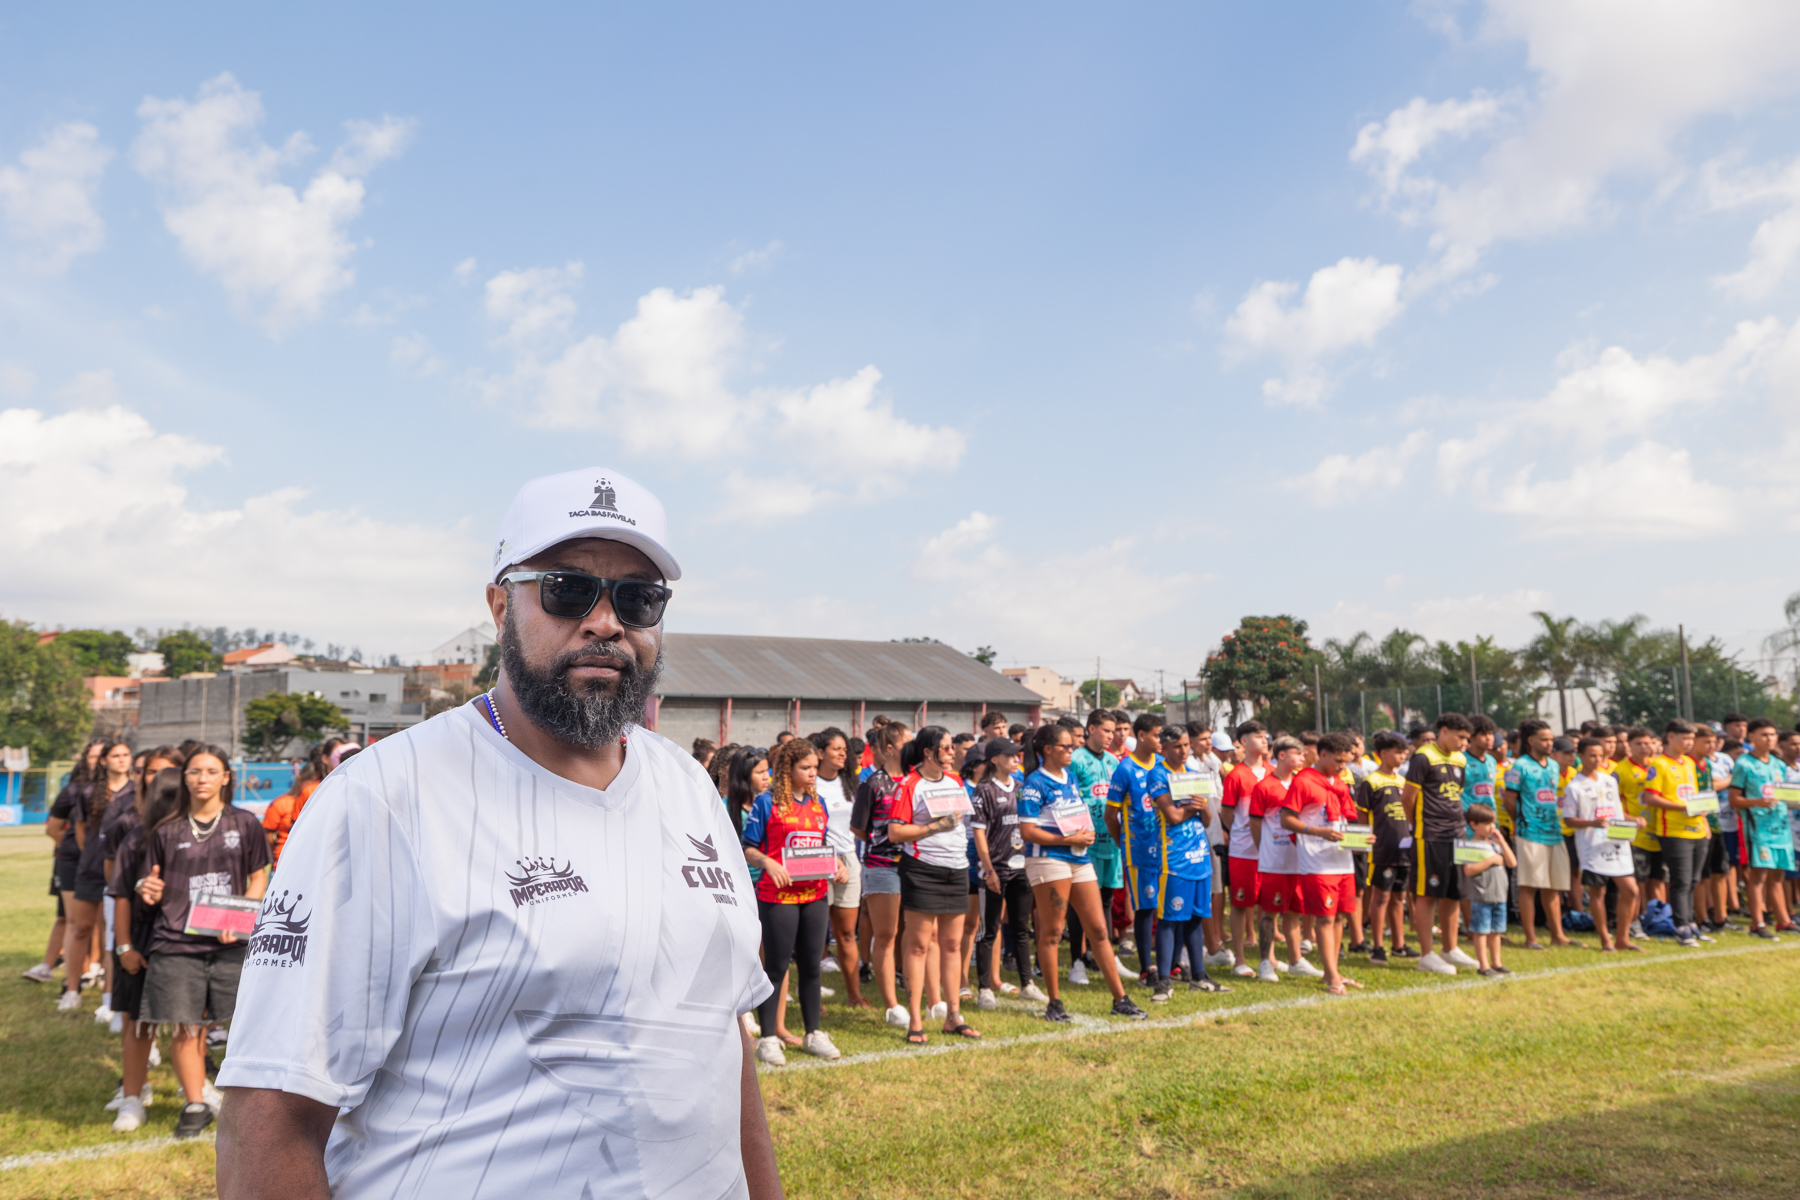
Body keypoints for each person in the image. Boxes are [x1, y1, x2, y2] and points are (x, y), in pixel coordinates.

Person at [215, 467, 781, 1200]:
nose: (605, 622)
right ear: (499, 605)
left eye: (638, 598)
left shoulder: (688, 787)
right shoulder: (385, 798)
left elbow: (722, 1039)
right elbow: (271, 1114)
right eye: (568, 590)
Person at [134, 744, 272, 1138]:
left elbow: (259, 877)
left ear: (226, 777)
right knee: (185, 1025)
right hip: (176, 942)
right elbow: (149, 882)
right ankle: (195, 1103)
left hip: (231, 941)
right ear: (184, 777)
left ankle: (252, 1104)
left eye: (212, 771)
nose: (202, 779)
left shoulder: (245, 823)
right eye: (194, 771)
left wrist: (240, 918)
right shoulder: (167, 830)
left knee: (247, 1025)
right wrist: (146, 888)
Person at [1018, 722, 1146, 1023]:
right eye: (1065, 746)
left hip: (1079, 856)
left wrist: (1083, 834)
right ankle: (1054, 1002)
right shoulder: (1034, 783)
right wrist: (1068, 839)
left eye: (1071, 745)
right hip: (1049, 860)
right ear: (1047, 749)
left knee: (1099, 930)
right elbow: (1027, 831)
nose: (1071, 750)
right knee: (1052, 932)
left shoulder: (1071, 777)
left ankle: (1120, 999)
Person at [741, 738, 844, 1065]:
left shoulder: (818, 803)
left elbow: (823, 846)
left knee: (812, 967)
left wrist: (838, 864)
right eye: (805, 767)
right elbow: (747, 847)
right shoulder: (766, 803)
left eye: (814, 767)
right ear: (788, 768)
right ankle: (769, 1038)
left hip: (815, 895)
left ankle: (814, 1033)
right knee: (776, 967)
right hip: (777, 897)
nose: (813, 773)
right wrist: (768, 863)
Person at [885, 726, 979, 1045]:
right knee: (919, 946)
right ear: (928, 752)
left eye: (952, 747)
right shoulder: (909, 784)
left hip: (957, 869)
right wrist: (935, 827)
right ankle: (915, 1021)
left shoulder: (955, 781)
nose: (953, 752)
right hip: (922, 870)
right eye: (947, 747)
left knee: (952, 945)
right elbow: (895, 832)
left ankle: (953, 1016)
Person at [105, 765, 185, 1131]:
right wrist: (125, 948)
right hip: (142, 945)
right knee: (138, 1026)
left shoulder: (199, 838)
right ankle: (132, 1098)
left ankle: (194, 1090)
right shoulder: (137, 839)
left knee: (191, 1026)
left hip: (187, 947)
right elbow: (120, 895)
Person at [1147, 724, 1228, 999]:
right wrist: (1192, 808)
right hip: (1173, 858)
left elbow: (1206, 820)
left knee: (1196, 917)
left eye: (1185, 745)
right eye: (1177, 746)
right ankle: (1163, 981)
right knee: (1169, 920)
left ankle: (1199, 976)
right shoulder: (1158, 774)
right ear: (1164, 748)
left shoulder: (1194, 774)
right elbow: (1172, 817)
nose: (1183, 751)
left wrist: (1203, 808)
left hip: (1199, 856)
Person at [1405, 713, 1480, 976]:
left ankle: (1450, 948)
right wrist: (1417, 827)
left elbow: (1456, 796)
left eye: (1467, 739)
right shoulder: (1423, 756)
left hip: (1456, 834)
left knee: (1454, 892)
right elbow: (1408, 798)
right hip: (1430, 835)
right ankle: (1427, 954)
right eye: (1461, 737)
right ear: (1444, 731)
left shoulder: (1460, 759)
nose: (1464, 743)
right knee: (1427, 893)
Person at [971, 738, 1034, 1009]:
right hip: (995, 869)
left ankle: (1027, 984)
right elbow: (978, 833)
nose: (1016, 759)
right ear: (994, 759)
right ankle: (984, 988)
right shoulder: (983, 789)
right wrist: (989, 870)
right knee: (989, 930)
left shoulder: (1021, 787)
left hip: (1022, 868)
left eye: (1017, 755)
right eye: (1009, 755)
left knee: (1021, 929)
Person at [1561, 735, 1640, 952]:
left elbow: (1617, 811)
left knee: (1631, 890)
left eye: (1600, 755)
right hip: (1592, 846)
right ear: (1580, 756)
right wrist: (1592, 823)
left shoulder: (1609, 781)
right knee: (1598, 893)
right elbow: (1568, 820)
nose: (1597, 760)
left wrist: (1632, 822)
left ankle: (1623, 938)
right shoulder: (1574, 786)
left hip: (1617, 842)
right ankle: (1606, 939)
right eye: (1592, 756)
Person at [74, 741, 133, 1021]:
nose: (122, 760)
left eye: (126, 755)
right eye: (116, 755)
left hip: (122, 875)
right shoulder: (88, 792)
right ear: (103, 761)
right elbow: (81, 832)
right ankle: (72, 988)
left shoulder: (137, 791)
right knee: (82, 928)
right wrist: (94, 855)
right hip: (92, 869)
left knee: (112, 936)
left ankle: (110, 999)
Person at [1249, 736, 1315, 982]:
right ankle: (1266, 961)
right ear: (1283, 755)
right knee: (1269, 912)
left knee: (1294, 911)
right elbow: (1255, 823)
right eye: (1298, 753)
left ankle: (1296, 960)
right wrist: (1265, 849)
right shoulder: (1265, 786)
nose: (1303, 758)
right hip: (1275, 860)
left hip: (1299, 859)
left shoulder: (1301, 783)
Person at [810, 727, 868, 1008]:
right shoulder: (810, 783)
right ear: (820, 753)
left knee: (846, 933)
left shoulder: (852, 783)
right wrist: (828, 860)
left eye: (845, 749)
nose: (843, 754)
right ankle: (812, 998)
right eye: (837, 749)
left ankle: (855, 996)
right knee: (815, 935)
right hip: (816, 858)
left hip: (849, 860)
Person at [1503, 719, 1570, 951]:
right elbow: (1509, 800)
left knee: (1553, 886)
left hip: (1554, 832)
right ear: (1530, 740)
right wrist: (1520, 822)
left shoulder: (1553, 766)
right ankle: (1530, 938)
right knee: (1529, 886)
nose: (1550, 743)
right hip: (1530, 833)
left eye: (1551, 739)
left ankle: (1557, 935)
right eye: (1544, 739)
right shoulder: (1519, 766)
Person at [1070, 711, 1126, 987]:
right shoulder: (1076, 759)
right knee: (1080, 903)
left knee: (1106, 899)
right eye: (1106, 730)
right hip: (1086, 844)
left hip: (1111, 842)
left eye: (1113, 731)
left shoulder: (1113, 761)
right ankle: (1076, 961)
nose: (1111, 736)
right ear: (1091, 729)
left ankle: (1103, 956)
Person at [1729, 718, 1794, 937]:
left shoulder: (1778, 764)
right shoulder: (1744, 764)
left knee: (1778, 875)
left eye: (1773, 734)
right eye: (1764, 735)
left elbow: (1786, 794)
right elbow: (1734, 799)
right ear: (1752, 737)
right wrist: (1757, 802)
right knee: (1758, 877)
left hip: (1781, 827)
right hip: (1758, 829)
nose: (1769, 739)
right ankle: (1758, 924)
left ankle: (1783, 921)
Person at [1219, 721, 1271, 978]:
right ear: (1243, 742)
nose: (1264, 740)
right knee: (1240, 904)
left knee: (1269, 905)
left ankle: (1268, 958)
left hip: (1272, 851)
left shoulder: (1273, 772)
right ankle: (1240, 959)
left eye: (1265, 736)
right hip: (1243, 852)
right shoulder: (1236, 775)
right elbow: (1227, 813)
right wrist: (1240, 833)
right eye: (1258, 736)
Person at [1357, 730, 1413, 965]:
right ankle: (1378, 947)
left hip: (1404, 849)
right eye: (1398, 752)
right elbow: (1362, 816)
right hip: (1382, 849)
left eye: (1404, 752)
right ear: (1383, 753)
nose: (1402, 756)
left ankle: (1399, 944)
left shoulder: (1404, 782)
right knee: (1381, 897)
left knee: (1399, 897)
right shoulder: (1371, 782)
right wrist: (1364, 841)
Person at [1460, 805, 1515, 976]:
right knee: (1481, 931)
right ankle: (1483, 966)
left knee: (1496, 931)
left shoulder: (1496, 845)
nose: (1491, 827)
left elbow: (1512, 863)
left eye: (1493, 823)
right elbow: (1468, 870)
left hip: (1499, 896)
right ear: (1473, 825)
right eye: (1486, 823)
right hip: (1481, 897)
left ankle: (1496, 963)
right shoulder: (1469, 845)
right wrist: (1490, 860)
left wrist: (1503, 842)